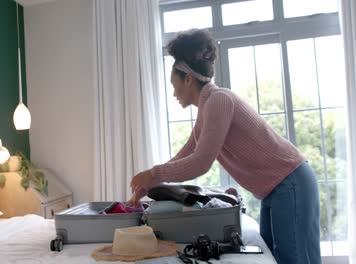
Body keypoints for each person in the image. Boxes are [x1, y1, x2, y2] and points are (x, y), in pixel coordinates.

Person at [128, 29, 321, 264]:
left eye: (174, 83)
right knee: (280, 257)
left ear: (188, 78)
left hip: (290, 181)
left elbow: (201, 162)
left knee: (295, 260)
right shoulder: (208, 106)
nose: (173, 92)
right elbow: (186, 153)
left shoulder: (219, 100)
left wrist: (153, 174)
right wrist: (152, 182)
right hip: (279, 187)